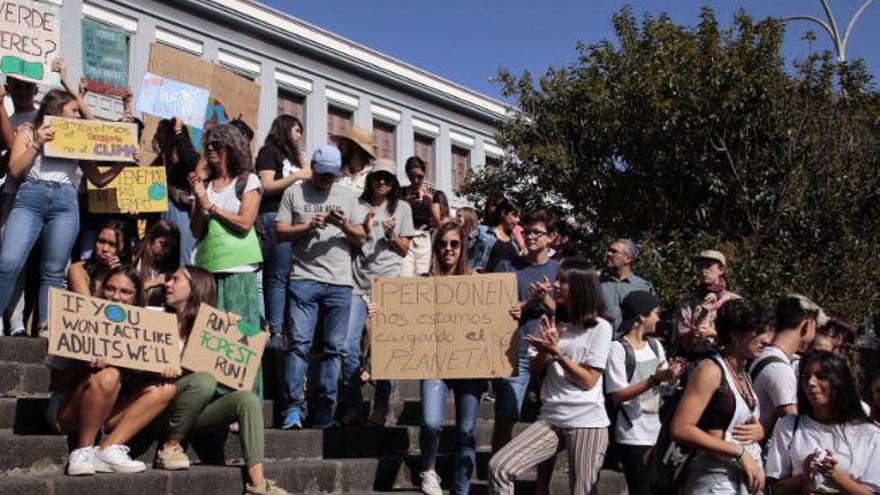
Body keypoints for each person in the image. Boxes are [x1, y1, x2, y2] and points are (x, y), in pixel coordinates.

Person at [155, 266, 288, 495]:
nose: (168, 283)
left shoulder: (208, 326)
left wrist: (236, 329)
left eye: (175, 279)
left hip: (197, 411)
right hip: (159, 408)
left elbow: (254, 341)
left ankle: (257, 483)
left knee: (248, 399)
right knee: (204, 381)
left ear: (194, 288)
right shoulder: (156, 320)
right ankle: (170, 447)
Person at [0, 87, 125, 329]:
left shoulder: (78, 140)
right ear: (57, 110)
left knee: (54, 270)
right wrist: (36, 143)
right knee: (8, 262)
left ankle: (46, 326)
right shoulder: (28, 131)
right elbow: (15, 170)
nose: (78, 116)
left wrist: (122, 165)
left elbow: (97, 179)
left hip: (65, 202)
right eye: (74, 110)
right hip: (30, 197)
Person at [489, 258, 613, 495]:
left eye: (562, 281)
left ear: (580, 287)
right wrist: (545, 351)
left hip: (586, 422)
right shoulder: (553, 323)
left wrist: (558, 353)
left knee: (582, 490)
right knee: (499, 467)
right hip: (551, 418)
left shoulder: (600, 327)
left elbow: (588, 381)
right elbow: (536, 371)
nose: (555, 285)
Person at [46, 266, 177, 475]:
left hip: (110, 409)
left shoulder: (145, 330)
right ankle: (83, 451)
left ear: (136, 299)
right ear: (101, 290)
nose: (116, 297)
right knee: (108, 376)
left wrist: (160, 370)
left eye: (125, 292)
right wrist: (83, 367)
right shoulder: (79, 319)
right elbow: (54, 383)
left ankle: (109, 449)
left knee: (166, 389)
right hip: (69, 410)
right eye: (110, 289)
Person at [276, 144, 365, 429]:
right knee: (299, 345)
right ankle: (293, 408)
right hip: (303, 278)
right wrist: (307, 227)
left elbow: (361, 238)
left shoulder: (348, 196)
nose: (327, 179)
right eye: (323, 174)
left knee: (334, 349)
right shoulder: (295, 192)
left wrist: (344, 226)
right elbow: (279, 232)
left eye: (332, 175)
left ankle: (324, 410)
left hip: (339, 282)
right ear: (313, 168)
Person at [189, 123, 264, 396]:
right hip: (209, 268)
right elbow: (196, 230)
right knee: (212, 335)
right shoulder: (205, 186)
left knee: (240, 334)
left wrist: (211, 206)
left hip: (238, 269)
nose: (210, 150)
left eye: (216, 145)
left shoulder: (248, 181)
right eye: (207, 145)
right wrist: (199, 200)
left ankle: (243, 397)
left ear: (230, 149)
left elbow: (245, 222)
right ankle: (214, 395)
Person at [339, 158, 415, 426]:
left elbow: (405, 249)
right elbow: (350, 238)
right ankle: (354, 403)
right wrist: (362, 229)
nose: (382, 181)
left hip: (389, 284)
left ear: (394, 183)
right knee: (348, 345)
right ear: (370, 179)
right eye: (378, 176)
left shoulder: (402, 207)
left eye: (388, 178)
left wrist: (392, 234)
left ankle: (380, 406)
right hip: (358, 281)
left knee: (386, 347)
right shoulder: (356, 205)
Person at [671, 298, 769, 495]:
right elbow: (681, 428)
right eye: (758, 333)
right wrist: (738, 452)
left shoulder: (743, 373)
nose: (765, 339)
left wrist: (759, 432)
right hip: (713, 481)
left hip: (741, 480)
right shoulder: (710, 371)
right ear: (735, 335)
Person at [418, 222, 485, 495]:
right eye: (442, 244)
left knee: (467, 431)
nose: (448, 249)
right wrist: (381, 313)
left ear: (462, 248)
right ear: (436, 248)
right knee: (432, 423)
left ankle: (462, 489)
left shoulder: (477, 282)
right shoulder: (423, 283)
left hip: (470, 366)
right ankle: (429, 470)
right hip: (434, 363)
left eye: (454, 244)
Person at [490, 210, 560, 454]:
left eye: (537, 232)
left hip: (551, 353)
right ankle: (498, 479)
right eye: (527, 231)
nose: (530, 236)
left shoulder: (560, 271)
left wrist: (546, 301)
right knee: (506, 416)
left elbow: (569, 314)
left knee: (551, 422)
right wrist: (529, 303)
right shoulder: (507, 266)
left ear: (550, 238)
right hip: (515, 351)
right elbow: (493, 310)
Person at [765, 351, 880, 494]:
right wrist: (805, 476)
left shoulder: (869, 434)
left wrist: (834, 474)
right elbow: (774, 489)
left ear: (839, 382)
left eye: (821, 376)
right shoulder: (788, 427)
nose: (811, 383)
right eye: (806, 377)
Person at [605, 291, 684, 495]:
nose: (658, 318)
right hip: (633, 433)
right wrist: (654, 379)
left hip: (658, 431)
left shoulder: (655, 345)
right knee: (640, 489)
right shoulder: (618, 348)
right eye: (655, 313)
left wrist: (673, 375)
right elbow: (618, 394)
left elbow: (667, 385)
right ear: (641, 316)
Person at [255, 115, 310, 348]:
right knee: (275, 276)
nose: (300, 136)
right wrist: (297, 175)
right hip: (274, 216)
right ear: (286, 129)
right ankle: (273, 330)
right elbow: (265, 186)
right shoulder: (269, 151)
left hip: (297, 222)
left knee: (287, 277)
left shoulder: (295, 158)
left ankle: (282, 327)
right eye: (297, 130)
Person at [750, 295, 825, 437]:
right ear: (807, 324)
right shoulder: (779, 368)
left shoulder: (764, 354)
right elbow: (792, 425)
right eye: (816, 326)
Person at [0, 77, 39, 336]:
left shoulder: (42, 118)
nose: (22, 91)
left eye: (28, 86)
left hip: (23, 199)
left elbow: (14, 147)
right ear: (8, 88)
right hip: (4, 194)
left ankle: (15, 322)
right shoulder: (8, 117)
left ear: (36, 88)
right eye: (16, 86)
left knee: (15, 261)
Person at [153, 117, 200, 266]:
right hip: (164, 214)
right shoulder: (161, 160)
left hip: (182, 214)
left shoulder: (186, 157)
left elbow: (191, 161)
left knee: (182, 256)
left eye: (161, 131)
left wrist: (178, 131)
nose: (157, 135)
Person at [675, 250, 740, 349]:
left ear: (721, 270)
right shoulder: (687, 302)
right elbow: (683, 343)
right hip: (695, 361)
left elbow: (742, 340)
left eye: (708, 265)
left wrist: (713, 333)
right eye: (700, 266)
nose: (703, 270)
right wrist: (698, 323)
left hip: (725, 361)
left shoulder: (734, 301)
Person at [600, 239, 656, 333]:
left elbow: (651, 319)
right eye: (609, 251)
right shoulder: (596, 284)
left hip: (629, 345)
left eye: (614, 252)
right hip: (600, 342)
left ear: (628, 259)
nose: (608, 254)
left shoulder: (644, 287)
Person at [68, 219, 132, 296]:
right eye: (101, 241)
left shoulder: (129, 276)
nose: (104, 249)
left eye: (112, 244)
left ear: (123, 250)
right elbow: (89, 305)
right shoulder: (78, 269)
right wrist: (107, 276)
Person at [133, 220, 180, 308]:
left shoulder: (169, 269)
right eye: (163, 244)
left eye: (171, 247)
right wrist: (151, 283)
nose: (167, 251)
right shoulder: (134, 260)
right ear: (151, 239)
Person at [400, 156, 433, 277]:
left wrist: (430, 205)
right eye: (411, 177)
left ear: (424, 174)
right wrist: (405, 204)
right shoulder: (401, 193)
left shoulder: (432, 193)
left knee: (421, 277)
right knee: (405, 275)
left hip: (424, 237)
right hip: (405, 237)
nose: (415, 181)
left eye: (419, 177)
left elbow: (438, 223)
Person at [480, 197, 521, 273]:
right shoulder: (482, 231)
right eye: (515, 215)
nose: (518, 220)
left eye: (518, 216)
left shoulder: (513, 238)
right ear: (503, 213)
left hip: (508, 283)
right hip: (485, 282)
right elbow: (463, 252)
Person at [336, 125, 375, 195]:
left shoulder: (374, 174)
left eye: (343, 143)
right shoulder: (337, 172)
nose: (338, 146)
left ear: (354, 146)